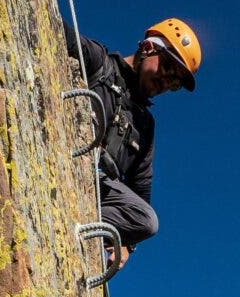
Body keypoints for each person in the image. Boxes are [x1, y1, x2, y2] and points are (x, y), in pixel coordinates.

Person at [67, 18, 200, 264]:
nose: (166, 83)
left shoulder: (145, 126)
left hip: (101, 188)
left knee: (147, 221)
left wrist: (127, 245)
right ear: (149, 47)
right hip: (72, 159)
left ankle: (77, 220)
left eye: (175, 84)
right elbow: (57, 30)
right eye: (168, 69)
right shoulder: (101, 65)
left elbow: (141, 187)